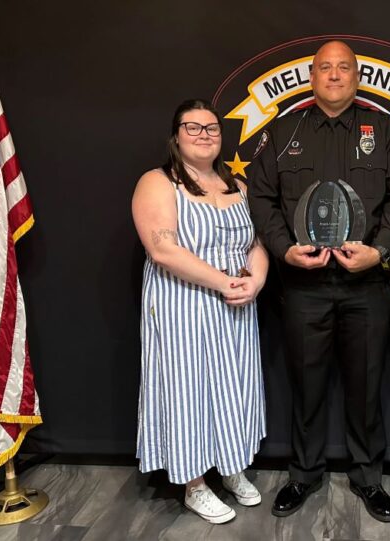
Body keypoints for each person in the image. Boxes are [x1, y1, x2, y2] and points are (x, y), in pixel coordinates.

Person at [248, 40, 390, 523]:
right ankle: (303, 473)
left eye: (344, 68)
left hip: (367, 286)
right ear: (311, 77)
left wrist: (380, 249)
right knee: (306, 384)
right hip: (303, 286)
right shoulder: (283, 132)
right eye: (325, 68)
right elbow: (261, 199)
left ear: (358, 77)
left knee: (366, 386)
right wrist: (283, 249)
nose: (335, 75)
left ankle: (368, 477)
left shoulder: (383, 130)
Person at [132, 99, 268, 524]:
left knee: (234, 388)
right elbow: (163, 249)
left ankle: (231, 467)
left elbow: (256, 246)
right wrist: (225, 282)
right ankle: (193, 483)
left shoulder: (238, 186)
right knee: (187, 390)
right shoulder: (158, 182)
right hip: (182, 304)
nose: (204, 135)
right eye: (193, 128)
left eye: (212, 128)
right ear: (176, 136)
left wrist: (256, 280)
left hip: (236, 306)